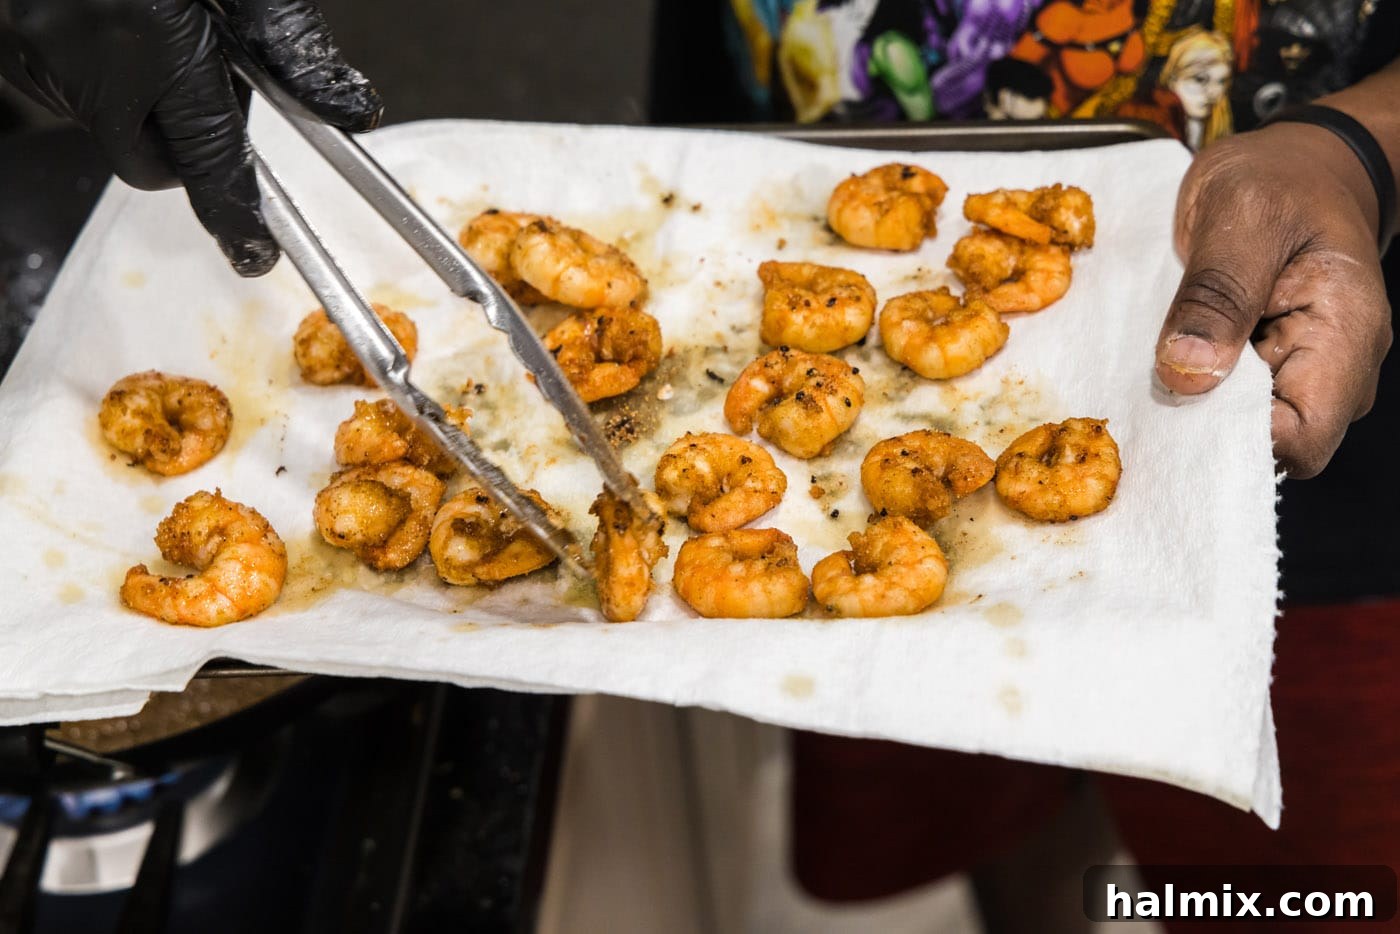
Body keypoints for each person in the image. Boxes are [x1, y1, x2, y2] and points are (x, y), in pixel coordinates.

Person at [713, 1, 1400, 927]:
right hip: (814, 152)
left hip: (1320, 430)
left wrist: (1359, 148)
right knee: (988, 799)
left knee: (1293, 890)